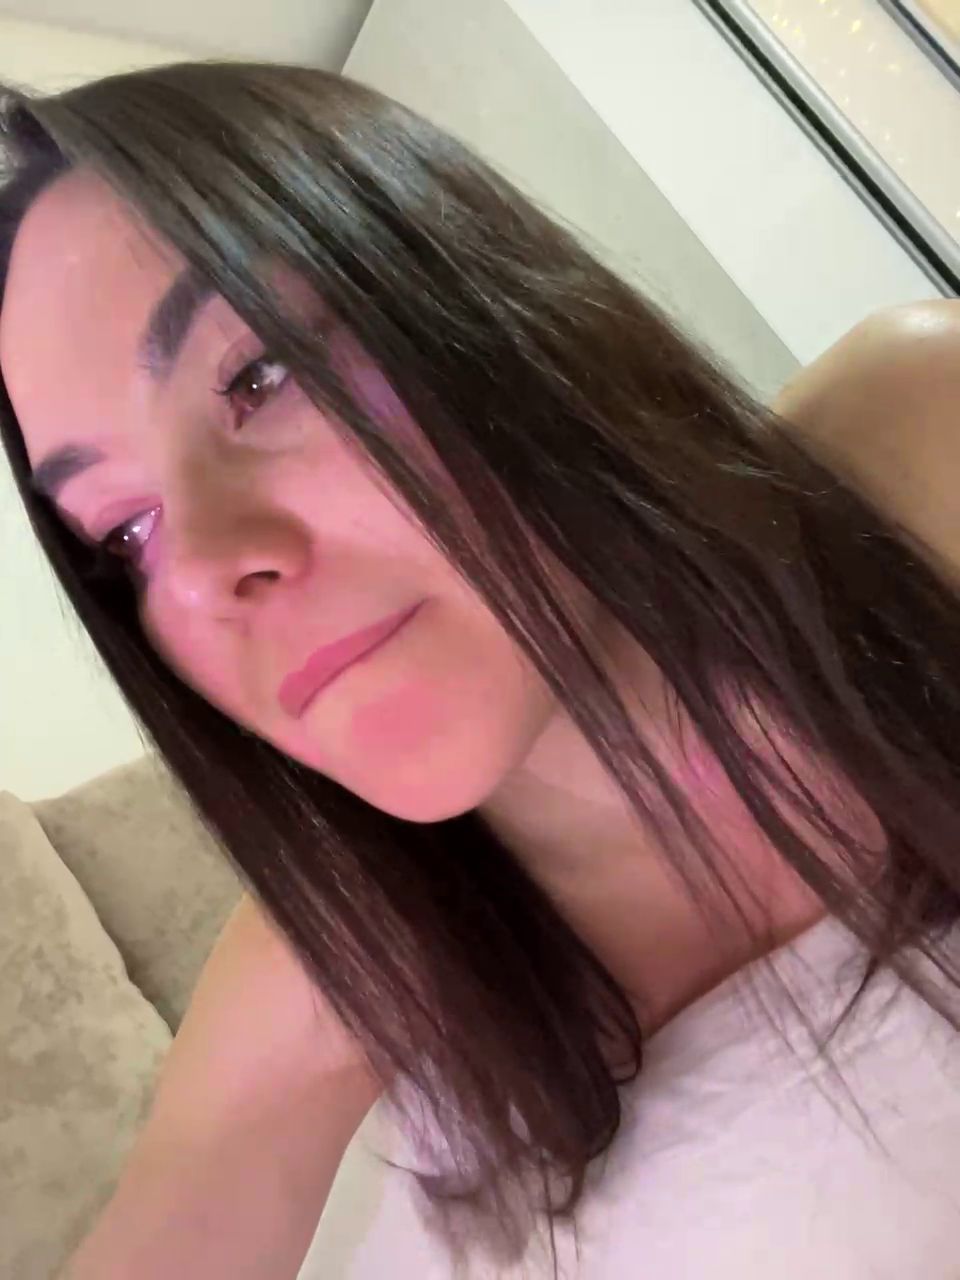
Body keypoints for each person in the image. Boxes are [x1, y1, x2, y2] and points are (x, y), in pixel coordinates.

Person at [1, 61, 960, 1280]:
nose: (197, 574)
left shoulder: (916, 437)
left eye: (257, 377)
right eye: (124, 533)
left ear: (455, 282)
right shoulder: (341, 945)